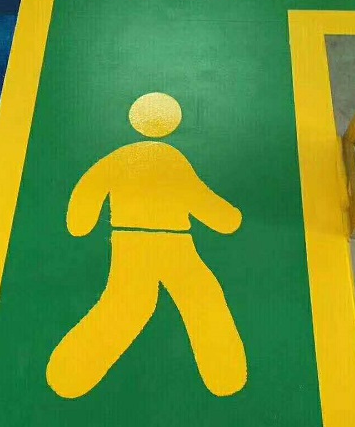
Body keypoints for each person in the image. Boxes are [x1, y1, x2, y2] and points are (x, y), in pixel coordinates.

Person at [46, 92, 247, 398]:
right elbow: (198, 197)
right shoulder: (172, 160)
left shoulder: (120, 158)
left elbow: (91, 186)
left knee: (129, 302)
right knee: (201, 294)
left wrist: (81, 221)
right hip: (174, 244)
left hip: (130, 242)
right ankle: (225, 373)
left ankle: (70, 371)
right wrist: (227, 219)